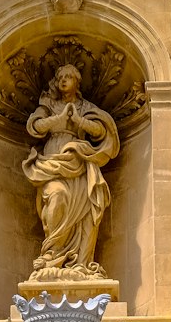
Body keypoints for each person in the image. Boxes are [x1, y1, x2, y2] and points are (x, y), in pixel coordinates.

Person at [22, 63, 119, 277]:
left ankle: (81, 262)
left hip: (79, 161)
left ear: (77, 82)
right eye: (60, 78)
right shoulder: (48, 104)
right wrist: (57, 119)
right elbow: (35, 125)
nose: (63, 81)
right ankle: (53, 252)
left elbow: (101, 129)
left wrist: (78, 121)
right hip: (53, 161)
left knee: (85, 210)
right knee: (57, 195)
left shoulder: (84, 106)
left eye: (69, 77)